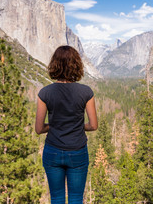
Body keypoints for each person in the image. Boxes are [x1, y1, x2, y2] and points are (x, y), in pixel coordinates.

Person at [35, 45, 98, 204]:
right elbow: (93, 125)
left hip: (53, 152)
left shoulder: (45, 93)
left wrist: (54, 125)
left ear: (54, 64)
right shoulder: (86, 92)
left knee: (56, 198)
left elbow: (39, 128)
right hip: (77, 152)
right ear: (76, 65)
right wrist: (77, 125)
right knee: (76, 198)